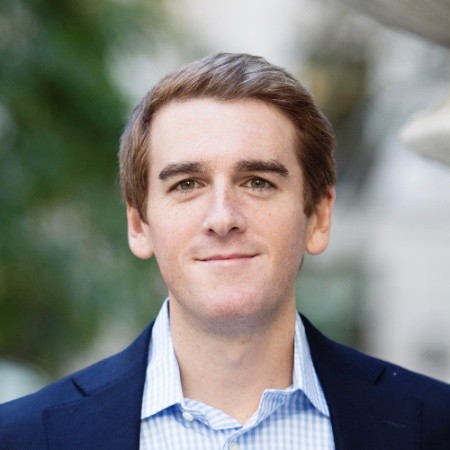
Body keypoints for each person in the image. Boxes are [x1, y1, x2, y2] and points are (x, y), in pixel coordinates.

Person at [1, 52, 449, 450]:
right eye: (187, 185)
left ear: (318, 216)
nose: (222, 217)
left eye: (257, 182)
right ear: (138, 225)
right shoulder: (21, 438)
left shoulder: (436, 426)